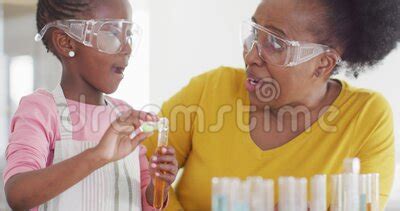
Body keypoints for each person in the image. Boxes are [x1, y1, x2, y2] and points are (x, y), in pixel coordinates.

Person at [143, 0, 400, 210]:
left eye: (275, 43)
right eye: (254, 34)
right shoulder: (210, 89)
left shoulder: (367, 117)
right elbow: (138, 171)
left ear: (323, 63)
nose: (251, 55)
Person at [3, 0, 178, 210]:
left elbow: (144, 203)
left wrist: (158, 186)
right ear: (67, 42)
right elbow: (18, 194)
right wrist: (98, 155)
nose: (127, 48)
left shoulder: (124, 116)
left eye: (129, 34)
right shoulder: (41, 110)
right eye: (113, 34)